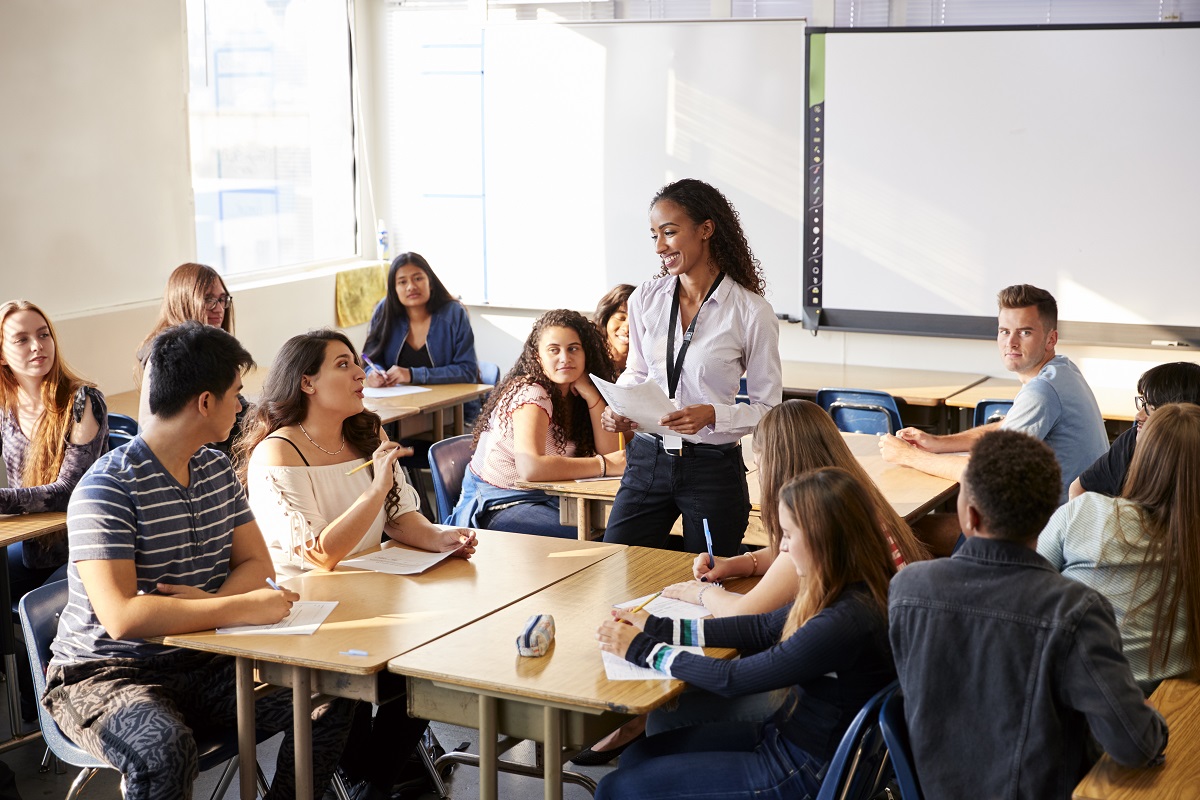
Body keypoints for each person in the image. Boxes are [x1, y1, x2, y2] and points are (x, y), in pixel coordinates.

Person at [43, 321, 353, 800]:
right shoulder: (107, 488)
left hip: (202, 659)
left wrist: (210, 601)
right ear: (205, 402)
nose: (242, 405)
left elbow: (259, 566)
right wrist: (236, 607)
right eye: (236, 392)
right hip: (104, 675)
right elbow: (124, 617)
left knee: (332, 693)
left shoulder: (213, 467)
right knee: (165, 750)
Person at [237, 329, 476, 800]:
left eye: (357, 363)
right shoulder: (277, 451)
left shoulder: (367, 430)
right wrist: (374, 487)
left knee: (427, 659)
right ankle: (365, 775)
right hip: (305, 607)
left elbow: (400, 520)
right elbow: (320, 554)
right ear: (307, 382)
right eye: (343, 365)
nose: (360, 374)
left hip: (365, 591)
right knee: (350, 701)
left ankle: (374, 780)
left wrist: (443, 538)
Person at [889, 430, 1168, 799]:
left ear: (969, 515)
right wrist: (1150, 718)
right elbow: (1135, 745)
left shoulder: (908, 589)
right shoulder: (1076, 609)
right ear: (1045, 517)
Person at [592, 467, 897, 800]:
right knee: (639, 756)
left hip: (798, 771)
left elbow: (732, 678)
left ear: (824, 539)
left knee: (615, 788)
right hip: (788, 742)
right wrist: (657, 627)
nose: (782, 549)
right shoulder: (849, 588)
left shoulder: (845, 619)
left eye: (789, 536)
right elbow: (760, 627)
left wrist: (645, 650)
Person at [602, 178, 782, 555]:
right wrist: (619, 408)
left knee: (710, 585)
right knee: (617, 572)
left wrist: (713, 415)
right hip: (647, 461)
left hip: (712, 469)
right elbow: (637, 373)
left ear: (706, 230)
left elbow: (769, 410)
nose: (659, 246)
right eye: (654, 235)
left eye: (669, 232)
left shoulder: (751, 312)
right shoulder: (645, 300)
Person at [880, 284, 1108, 503]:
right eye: (1004, 331)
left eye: (1024, 332)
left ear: (1051, 339)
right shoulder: (1063, 370)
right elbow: (1007, 428)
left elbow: (986, 475)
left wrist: (907, 456)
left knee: (916, 532)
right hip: (1072, 520)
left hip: (1049, 532)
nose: (1011, 343)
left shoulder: (1042, 392)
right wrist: (938, 443)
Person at [1039, 403, 1200, 690]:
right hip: (1169, 704)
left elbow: (1022, 588)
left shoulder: (1085, 511)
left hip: (1071, 691)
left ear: (1141, 458)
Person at [448, 309, 623, 538]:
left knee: (620, 526)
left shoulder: (577, 393)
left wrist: (591, 395)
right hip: (498, 503)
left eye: (573, 349)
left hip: (546, 496)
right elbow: (531, 468)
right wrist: (603, 465)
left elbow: (612, 452)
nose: (565, 358)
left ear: (586, 353)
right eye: (554, 350)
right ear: (538, 357)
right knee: (597, 535)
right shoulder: (532, 393)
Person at [1, 300, 108, 595]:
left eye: (43, 334)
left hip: (84, 556)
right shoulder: (6, 407)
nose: (37, 346)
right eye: (22, 339)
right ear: (1, 354)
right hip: (32, 552)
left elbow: (67, 492)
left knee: (30, 605)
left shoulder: (83, 400)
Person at [135, 262, 245, 455]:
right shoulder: (170, 356)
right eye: (209, 299)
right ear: (184, 300)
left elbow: (238, 409)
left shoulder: (207, 351)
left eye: (222, 299)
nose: (218, 308)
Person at [362, 252, 480, 422]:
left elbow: (467, 371)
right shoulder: (384, 310)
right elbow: (370, 359)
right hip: (397, 410)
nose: (411, 286)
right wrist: (373, 373)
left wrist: (412, 375)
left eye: (418, 278)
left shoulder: (454, 313)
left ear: (430, 282)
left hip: (451, 412)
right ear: (394, 289)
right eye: (402, 282)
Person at [1070, 361, 1200, 499]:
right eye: (1143, 403)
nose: (1139, 416)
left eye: (1152, 408)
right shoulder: (1130, 440)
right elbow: (1079, 488)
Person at [594, 283, 634, 375]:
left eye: (636, 321)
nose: (627, 328)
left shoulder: (653, 368)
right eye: (621, 318)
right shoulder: (586, 362)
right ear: (605, 319)